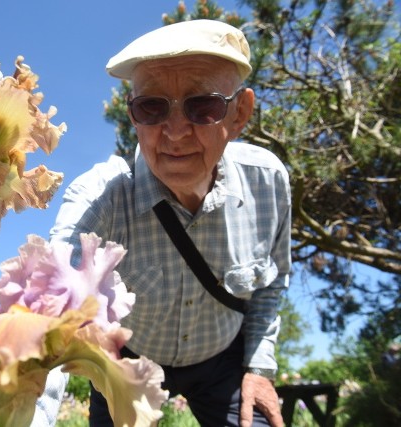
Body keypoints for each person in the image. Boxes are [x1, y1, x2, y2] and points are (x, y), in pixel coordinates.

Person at [35, 19, 291, 427]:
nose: (174, 132)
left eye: (202, 106)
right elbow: (50, 309)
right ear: (132, 116)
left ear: (239, 112)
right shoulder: (101, 198)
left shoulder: (268, 181)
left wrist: (259, 369)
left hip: (221, 359)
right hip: (129, 361)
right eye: (151, 107)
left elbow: (271, 284)